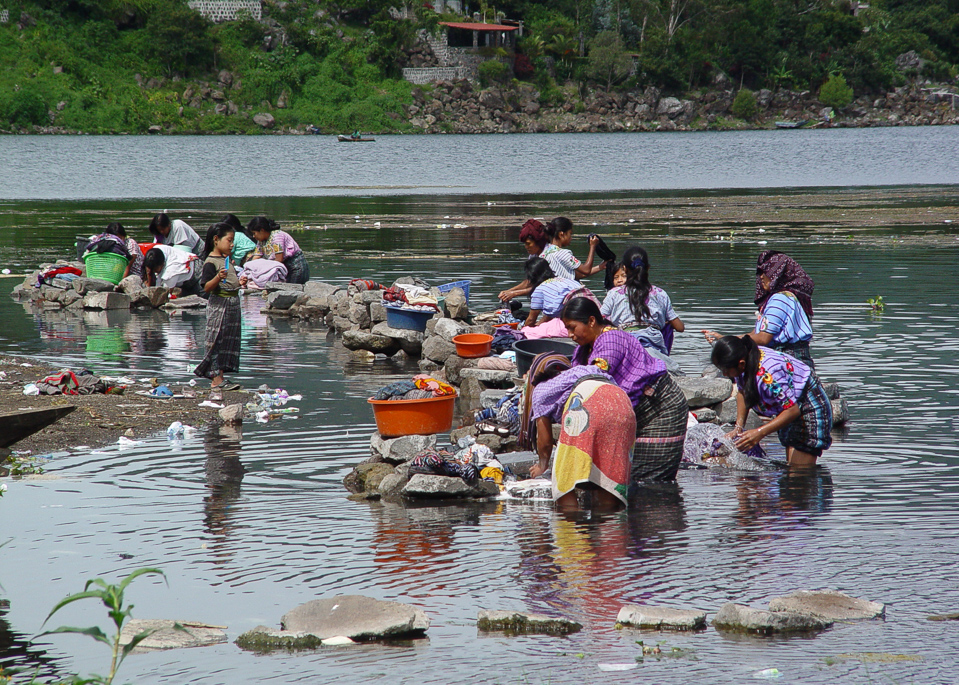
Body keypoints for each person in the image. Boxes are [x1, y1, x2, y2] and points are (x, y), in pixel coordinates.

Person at [563, 297, 689, 482]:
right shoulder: (587, 348)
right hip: (640, 410)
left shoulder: (611, 340)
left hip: (660, 410)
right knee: (625, 476)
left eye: (572, 327)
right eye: (567, 328)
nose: (569, 334)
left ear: (591, 321)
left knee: (647, 479)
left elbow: (594, 376)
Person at [525, 354, 634, 511]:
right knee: (607, 478)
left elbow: (545, 441)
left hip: (588, 402)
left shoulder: (540, 390)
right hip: (622, 402)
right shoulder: (578, 372)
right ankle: (608, 526)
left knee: (564, 481)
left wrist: (542, 465)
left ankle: (571, 524)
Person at [710, 335, 832, 467]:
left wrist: (759, 433)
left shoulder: (768, 374)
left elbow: (792, 410)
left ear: (741, 364)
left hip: (809, 405)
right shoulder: (745, 361)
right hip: (788, 406)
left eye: (725, 370)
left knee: (799, 471)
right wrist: (738, 428)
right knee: (791, 467)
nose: (724, 375)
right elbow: (742, 392)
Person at [702, 251, 816, 368]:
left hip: (789, 363)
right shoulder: (781, 298)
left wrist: (728, 342)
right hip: (789, 359)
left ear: (778, 274)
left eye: (766, 272)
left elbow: (763, 338)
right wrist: (724, 339)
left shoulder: (780, 299)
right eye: (760, 272)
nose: (761, 276)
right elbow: (754, 334)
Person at [601, 246, 684, 367]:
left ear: (624, 268)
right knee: (668, 325)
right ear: (648, 268)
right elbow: (680, 327)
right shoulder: (660, 293)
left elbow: (599, 318)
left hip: (625, 344)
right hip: (654, 344)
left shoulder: (614, 293)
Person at [194, 223, 248, 391]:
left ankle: (220, 377)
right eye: (229, 240)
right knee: (216, 340)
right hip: (220, 305)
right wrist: (217, 277)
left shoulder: (225, 260)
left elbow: (229, 282)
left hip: (232, 303)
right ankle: (216, 379)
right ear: (216, 240)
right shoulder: (211, 262)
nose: (232, 244)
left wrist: (240, 283)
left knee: (227, 341)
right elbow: (207, 288)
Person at [247, 216, 310, 285]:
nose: (253, 236)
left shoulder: (277, 236)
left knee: (292, 290)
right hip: (283, 267)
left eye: (254, 233)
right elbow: (256, 257)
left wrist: (264, 270)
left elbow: (279, 259)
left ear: (262, 230)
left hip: (295, 268)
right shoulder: (261, 241)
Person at [498, 219, 548, 302]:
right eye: (524, 244)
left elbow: (546, 286)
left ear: (538, 242)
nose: (526, 247)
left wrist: (514, 293)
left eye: (528, 243)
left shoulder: (550, 255)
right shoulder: (533, 255)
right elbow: (530, 281)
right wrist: (508, 292)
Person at [541, 217, 606, 281]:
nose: (571, 238)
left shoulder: (544, 253)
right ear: (561, 234)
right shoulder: (563, 253)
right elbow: (586, 270)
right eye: (570, 234)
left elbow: (576, 275)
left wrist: (600, 267)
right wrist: (592, 246)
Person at [523, 257, 580, 329]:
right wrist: (538, 324)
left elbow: (531, 320)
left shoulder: (539, 289)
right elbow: (552, 314)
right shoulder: (567, 281)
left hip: (574, 322)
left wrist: (523, 329)